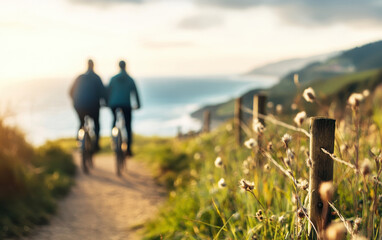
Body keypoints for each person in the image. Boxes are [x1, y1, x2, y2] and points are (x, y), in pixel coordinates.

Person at [69, 59, 106, 151]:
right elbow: (103, 93)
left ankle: (79, 139)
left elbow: (70, 92)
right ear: (93, 66)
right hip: (93, 106)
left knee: (81, 122)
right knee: (96, 123)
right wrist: (105, 102)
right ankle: (96, 144)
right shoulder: (96, 77)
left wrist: (75, 101)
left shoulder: (79, 77)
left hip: (79, 105)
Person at [107, 60, 141, 156]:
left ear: (118, 66)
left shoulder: (113, 79)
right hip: (126, 105)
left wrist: (106, 103)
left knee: (114, 120)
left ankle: (113, 139)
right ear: (125, 66)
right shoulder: (130, 79)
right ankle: (128, 149)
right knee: (128, 126)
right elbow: (135, 93)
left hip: (114, 105)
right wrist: (138, 104)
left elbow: (107, 91)